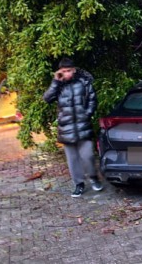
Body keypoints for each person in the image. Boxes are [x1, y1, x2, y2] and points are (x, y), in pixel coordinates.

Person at [43, 57, 103, 197]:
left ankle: (94, 178)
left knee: (87, 156)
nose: (67, 74)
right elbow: (47, 99)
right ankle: (79, 184)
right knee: (72, 159)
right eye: (63, 71)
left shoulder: (84, 82)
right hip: (66, 128)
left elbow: (93, 100)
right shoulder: (59, 85)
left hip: (83, 126)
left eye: (69, 70)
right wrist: (55, 82)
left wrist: (86, 114)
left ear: (74, 70)